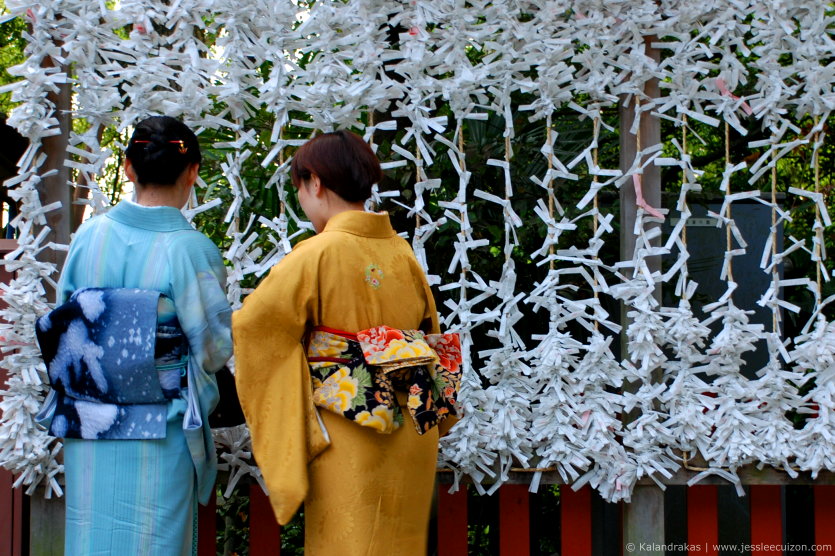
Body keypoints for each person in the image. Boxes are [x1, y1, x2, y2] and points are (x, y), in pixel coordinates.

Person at [233, 130, 462, 555]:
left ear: (315, 182)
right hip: (410, 428)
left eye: (300, 187)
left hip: (350, 424)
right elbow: (429, 331)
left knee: (350, 538)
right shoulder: (401, 253)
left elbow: (254, 328)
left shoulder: (317, 252)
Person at [36, 116, 233, 555]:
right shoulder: (191, 249)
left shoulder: (91, 236)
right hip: (160, 428)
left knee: (92, 539)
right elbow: (213, 350)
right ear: (193, 172)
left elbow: (66, 322)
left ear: (128, 167)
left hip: (89, 425)